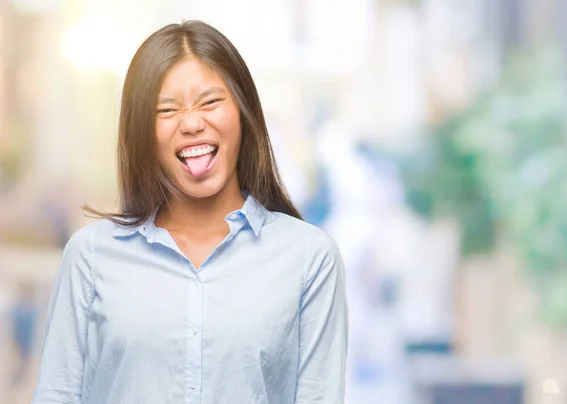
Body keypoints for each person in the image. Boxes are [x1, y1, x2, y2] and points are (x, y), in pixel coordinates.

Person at [32, 20, 348, 404]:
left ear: (244, 113)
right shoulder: (91, 256)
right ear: (141, 133)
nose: (193, 123)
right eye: (166, 110)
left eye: (210, 101)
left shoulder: (309, 259)